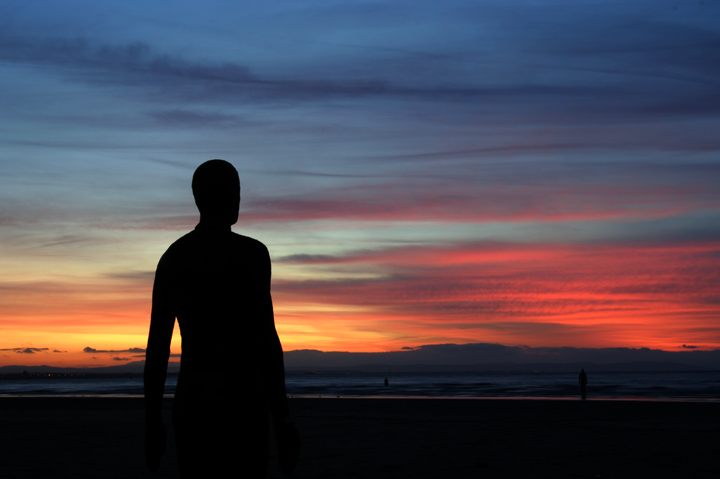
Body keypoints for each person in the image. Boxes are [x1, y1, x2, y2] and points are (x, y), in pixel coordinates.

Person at [144, 159, 299, 478]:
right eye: (236, 191)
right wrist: (282, 417)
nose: (239, 199)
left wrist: (152, 419)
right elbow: (266, 341)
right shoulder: (251, 255)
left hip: (193, 402)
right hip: (243, 403)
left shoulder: (174, 258)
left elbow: (157, 349)